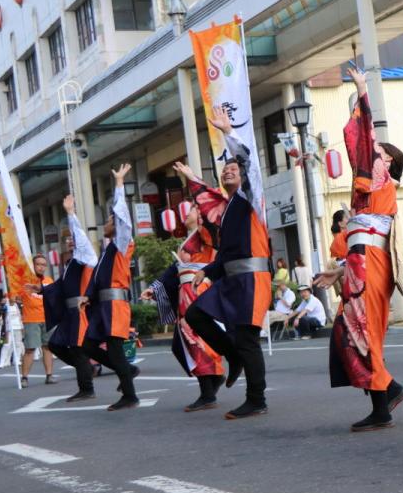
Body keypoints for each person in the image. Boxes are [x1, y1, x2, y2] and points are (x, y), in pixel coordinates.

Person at [314, 64, 403, 432]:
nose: (373, 155)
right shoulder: (368, 192)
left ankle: (383, 404)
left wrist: (361, 91)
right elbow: (359, 241)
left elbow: (364, 139)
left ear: (389, 165)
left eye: (380, 153)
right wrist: (339, 270)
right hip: (361, 263)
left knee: (360, 328)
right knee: (349, 328)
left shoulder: (381, 180)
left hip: (369, 263)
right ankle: (389, 390)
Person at [184, 107, 273, 420]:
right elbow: (225, 253)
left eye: (234, 168)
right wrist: (206, 271)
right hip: (232, 279)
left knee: (248, 337)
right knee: (195, 314)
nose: (229, 170)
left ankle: (256, 398)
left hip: (252, 277)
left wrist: (227, 132)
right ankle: (232, 358)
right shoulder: (228, 210)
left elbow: (248, 163)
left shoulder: (250, 197)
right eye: (225, 169)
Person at [143, 163, 227, 411]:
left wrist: (192, 178)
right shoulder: (185, 241)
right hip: (185, 293)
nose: (186, 211)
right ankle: (211, 381)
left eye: (190, 207)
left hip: (199, 290)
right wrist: (155, 287)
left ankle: (208, 391)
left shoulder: (205, 235)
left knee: (196, 339)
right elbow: (173, 270)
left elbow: (211, 211)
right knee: (183, 342)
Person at [79, 164, 141, 411]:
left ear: (116, 225)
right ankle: (127, 369)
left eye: (108, 220)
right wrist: (88, 297)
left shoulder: (123, 243)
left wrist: (118, 184)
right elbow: (97, 279)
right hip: (102, 304)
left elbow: (122, 215)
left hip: (115, 304)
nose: (105, 223)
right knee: (87, 345)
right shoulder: (108, 250)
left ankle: (130, 395)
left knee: (114, 348)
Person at [37, 196, 98, 401]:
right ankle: (91, 368)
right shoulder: (71, 263)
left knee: (79, 349)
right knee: (56, 344)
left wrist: (71, 214)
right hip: (70, 313)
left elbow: (80, 238)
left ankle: (87, 387)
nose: (70, 240)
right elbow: (59, 287)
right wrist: (40, 288)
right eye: (67, 239)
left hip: (81, 310)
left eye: (72, 237)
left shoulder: (86, 258)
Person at [20, 255, 54, 385]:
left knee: (47, 347)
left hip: (47, 318)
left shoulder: (49, 281)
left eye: (44, 265)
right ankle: (24, 377)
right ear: (33, 265)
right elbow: (16, 296)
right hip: (31, 319)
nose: (41, 267)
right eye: (38, 264)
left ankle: (49, 375)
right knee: (30, 349)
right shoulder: (25, 281)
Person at [0, 293, 23, 372]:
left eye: (15, 296)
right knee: (7, 345)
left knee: (18, 344)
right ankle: (2, 361)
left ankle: (16, 359)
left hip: (18, 326)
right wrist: (3, 303)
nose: (14, 298)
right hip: (9, 328)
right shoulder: (5, 305)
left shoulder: (18, 305)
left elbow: (22, 314)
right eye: (12, 296)